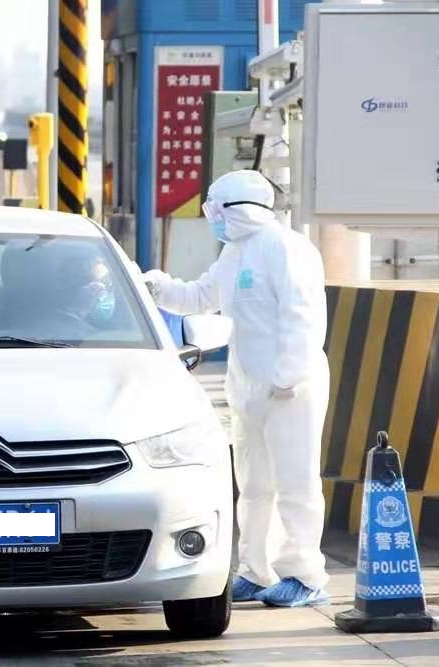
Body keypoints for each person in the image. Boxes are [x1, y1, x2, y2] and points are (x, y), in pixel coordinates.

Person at [144, 170, 330, 608]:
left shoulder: (287, 248)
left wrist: (288, 375)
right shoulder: (234, 253)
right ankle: (256, 569)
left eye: (215, 209)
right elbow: (200, 297)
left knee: (295, 482)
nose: (212, 218)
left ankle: (305, 575)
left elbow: (303, 317)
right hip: (249, 388)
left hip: (291, 390)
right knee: (254, 484)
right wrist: (157, 288)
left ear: (239, 209)